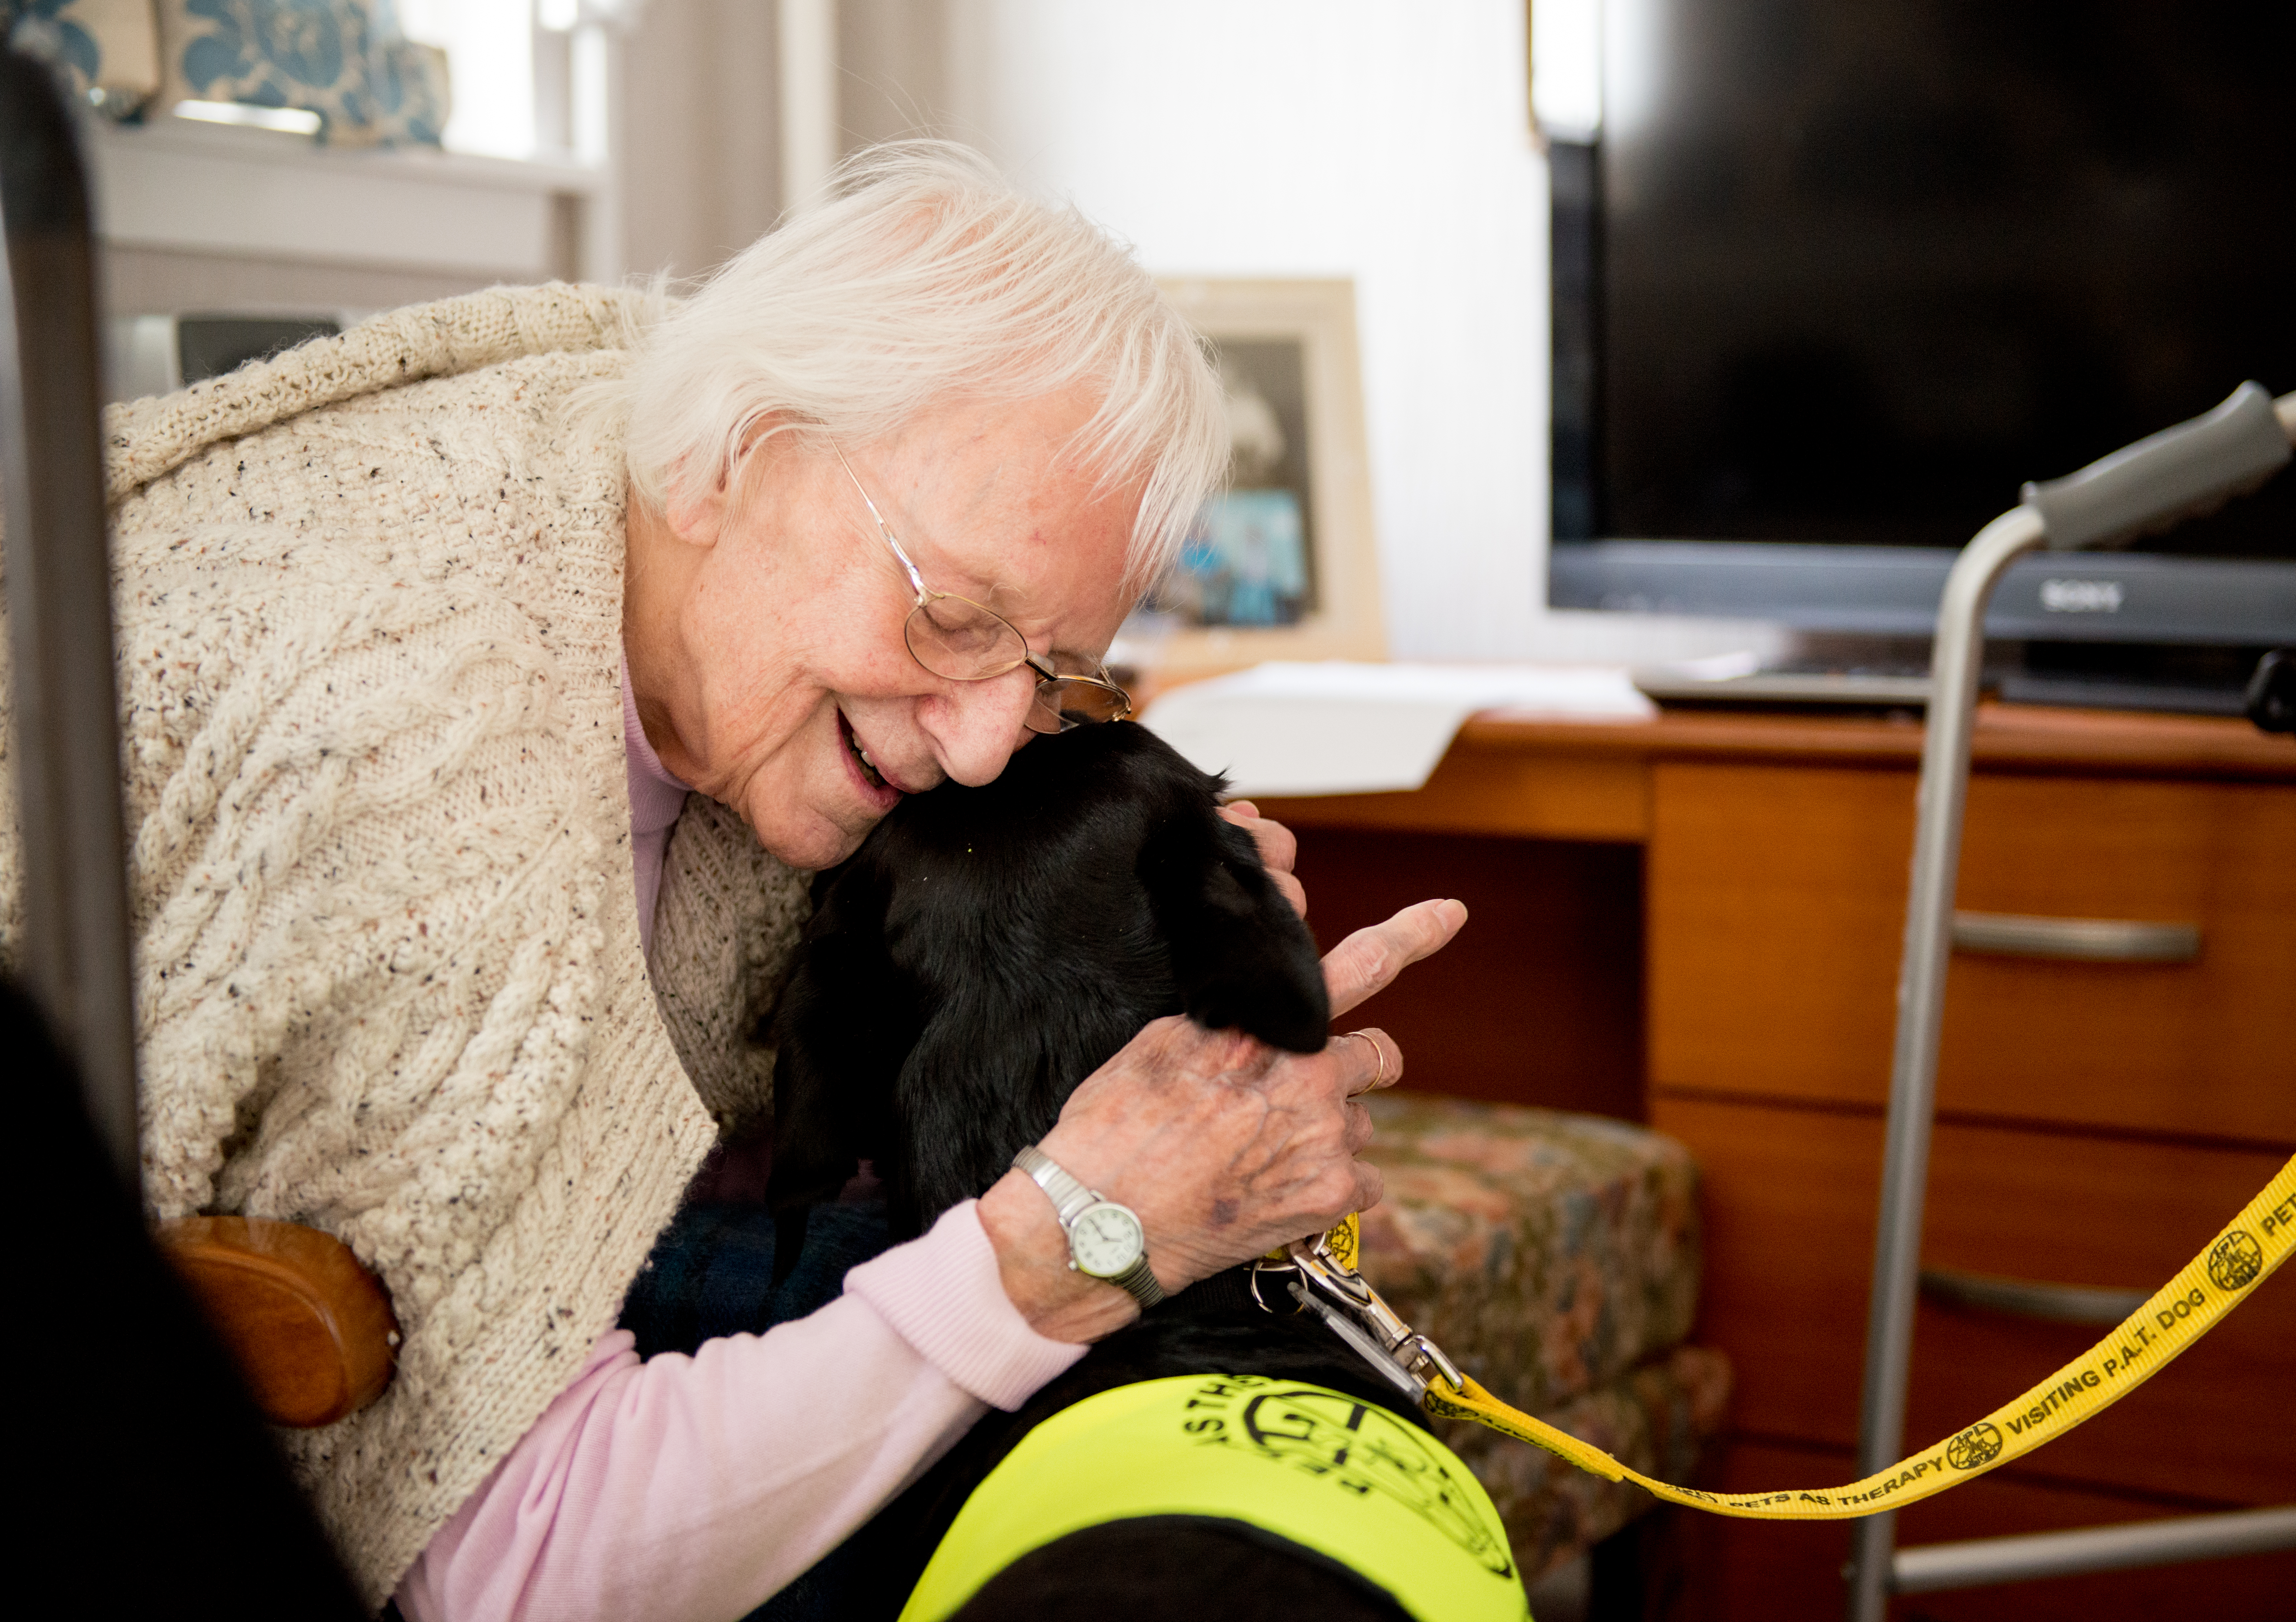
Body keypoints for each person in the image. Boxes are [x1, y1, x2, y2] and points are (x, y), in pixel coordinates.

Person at [0, 143, 1464, 1620]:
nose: (976, 749)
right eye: (953, 618)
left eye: (1048, 674)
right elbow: (503, 1571)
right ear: (732, 459)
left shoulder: (669, 493)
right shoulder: (432, 741)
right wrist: (1080, 1236)